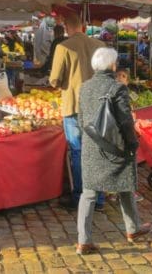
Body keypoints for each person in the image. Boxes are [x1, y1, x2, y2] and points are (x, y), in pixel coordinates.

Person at [75, 46, 151, 254]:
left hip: (92, 145)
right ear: (112, 65)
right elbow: (126, 121)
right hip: (116, 146)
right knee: (125, 184)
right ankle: (133, 229)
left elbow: (81, 120)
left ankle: (84, 240)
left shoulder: (85, 87)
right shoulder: (117, 88)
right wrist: (132, 143)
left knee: (89, 193)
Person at [50, 11, 104, 208]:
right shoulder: (100, 46)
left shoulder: (64, 47)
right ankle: (98, 198)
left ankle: (81, 197)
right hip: (98, 106)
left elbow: (54, 80)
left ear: (66, 27)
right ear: (83, 26)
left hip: (74, 106)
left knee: (78, 151)